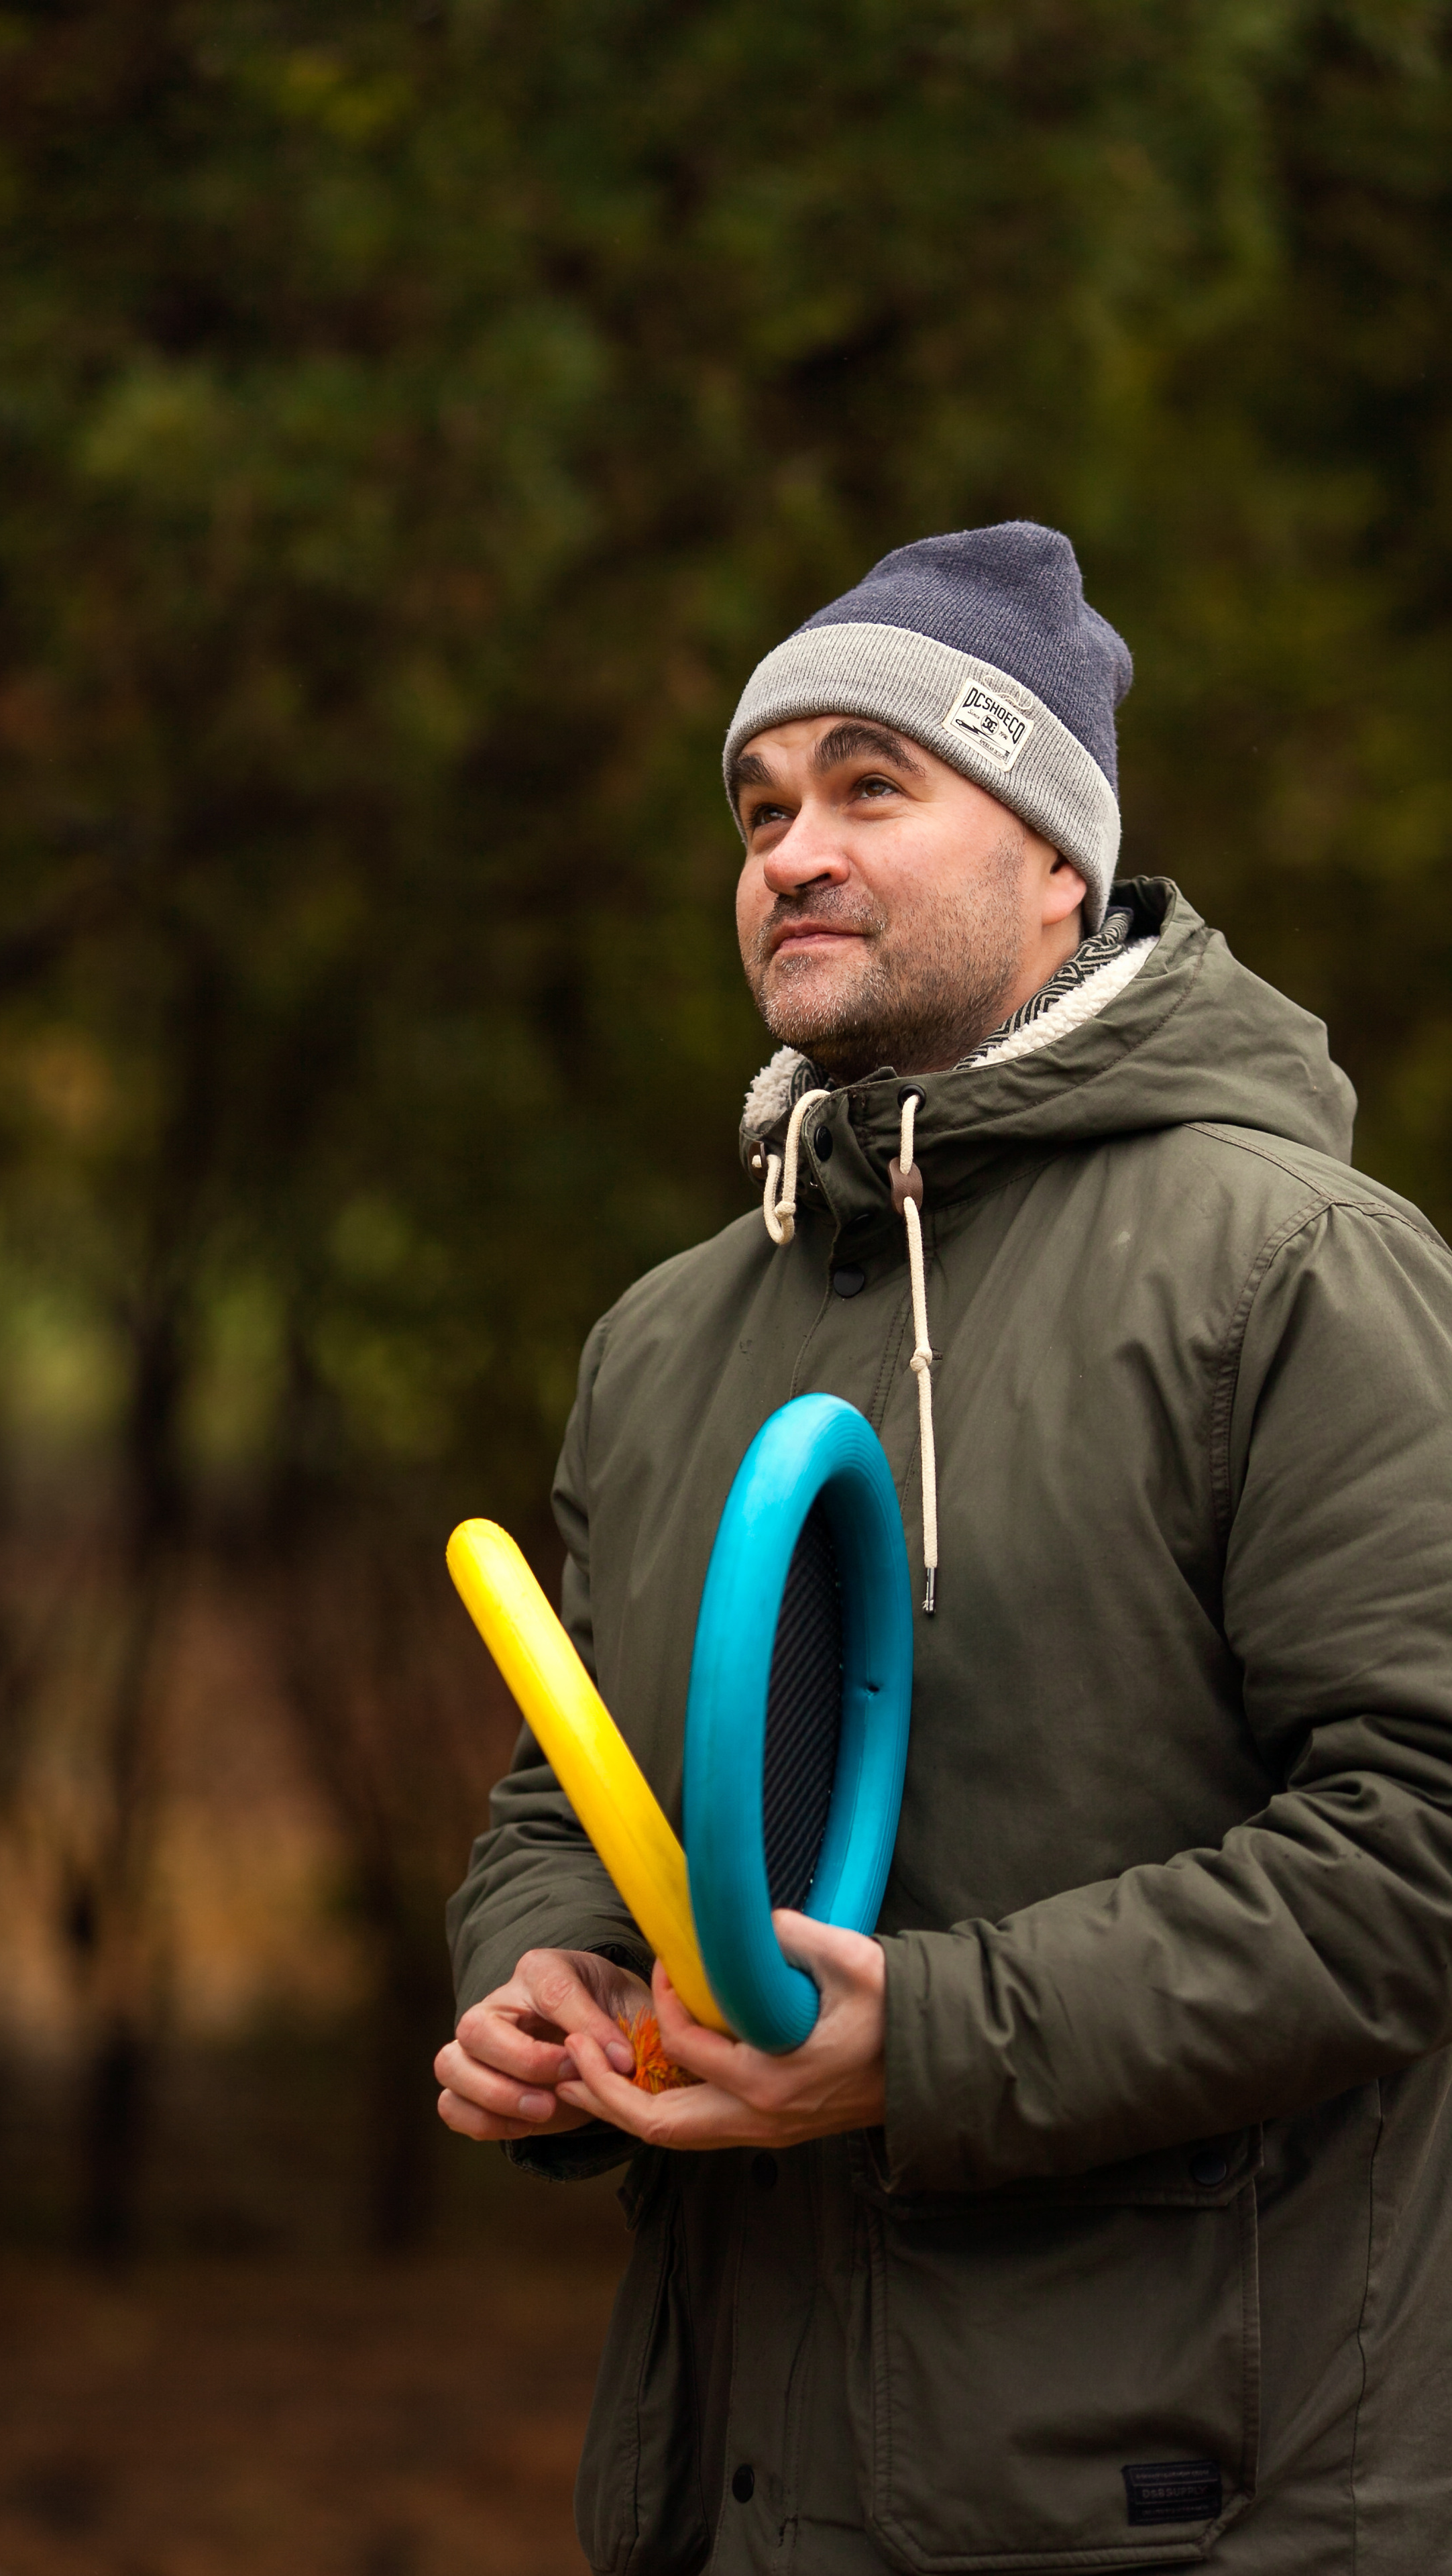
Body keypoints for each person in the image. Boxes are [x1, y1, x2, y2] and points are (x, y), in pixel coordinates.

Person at [437, 522, 1452, 2574]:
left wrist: (943, 2041)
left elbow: (1419, 1843)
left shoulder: (1296, 1272)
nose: (792, 848)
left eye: (870, 787)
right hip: (728, 2488)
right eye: (761, 805)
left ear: (1057, 862)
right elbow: (577, 1784)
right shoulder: (664, 1336)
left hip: (1181, 2502)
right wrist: (539, 1974)